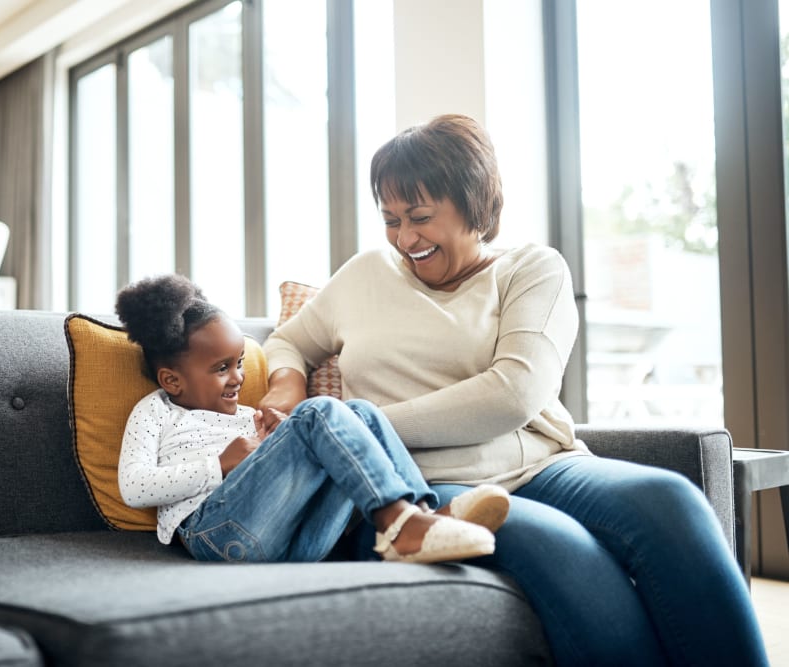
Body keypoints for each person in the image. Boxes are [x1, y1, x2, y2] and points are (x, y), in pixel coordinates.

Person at [258, 114, 769, 666]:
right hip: (422, 483)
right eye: (391, 219)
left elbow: (513, 394)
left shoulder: (532, 270)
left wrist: (363, 427)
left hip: (544, 465)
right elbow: (289, 340)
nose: (405, 239)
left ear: (475, 204)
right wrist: (285, 387)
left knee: (674, 503)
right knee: (562, 548)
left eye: (421, 217)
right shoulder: (364, 276)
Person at [115, 273, 510, 564]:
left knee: (361, 413)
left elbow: (283, 487)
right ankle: (403, 526)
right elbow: (134, 486)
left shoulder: (251, 418)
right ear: (172, 380)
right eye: (222, 368)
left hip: (294, 542)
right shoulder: (156, 411)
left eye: (238, 363)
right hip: (217, 535)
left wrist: (281, 444)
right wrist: (219, 464)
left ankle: (422, 516)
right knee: (317, 411)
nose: (239, 376)